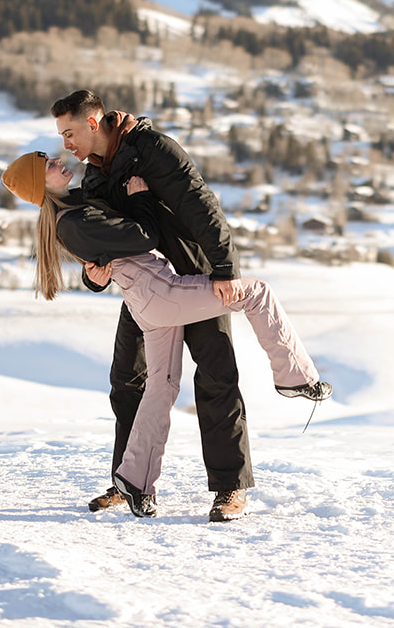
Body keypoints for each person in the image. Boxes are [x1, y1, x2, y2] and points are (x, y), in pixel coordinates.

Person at [0, 150, 330, 518]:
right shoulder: (75, 220)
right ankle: (296, 378)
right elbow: (144, 236)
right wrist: (141, 196)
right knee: (255, 293)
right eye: (49, 166)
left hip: (148, 301)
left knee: (162, 386)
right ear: (39, 184)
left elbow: (104, 255)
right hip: (162, 293)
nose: (60, 162)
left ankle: (136, 483)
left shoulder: (76, 209)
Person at [50, 90, 255, 522]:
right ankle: (128, 483)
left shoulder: (153, 149)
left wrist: (224, 267)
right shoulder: (93, 178)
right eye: (61, 136)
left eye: (69, 133)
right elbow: (103, 242)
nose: (66, 144)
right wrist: (93, 275)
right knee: (128, 380)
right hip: (145, 288)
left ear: (93, 122)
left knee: (216, 376)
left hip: (197, 274)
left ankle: (230, 488)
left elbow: (201, 205)